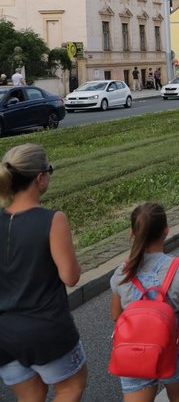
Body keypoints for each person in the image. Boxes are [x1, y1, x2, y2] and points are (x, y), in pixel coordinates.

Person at [0, 144, 87, 402]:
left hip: (5, 333)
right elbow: (70, 277)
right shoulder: (52, 220)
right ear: (40, 178)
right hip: (45, 329)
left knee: (31, 395)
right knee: (71, 387)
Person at [110, 203, 179, 402]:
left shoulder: (122, 272)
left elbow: (117, 316)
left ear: (132, 234)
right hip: (174, 347)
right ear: (166, 231)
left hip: (134, 351)